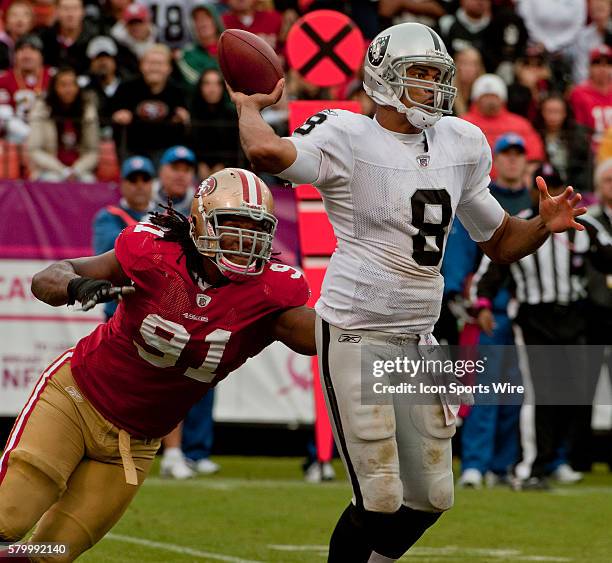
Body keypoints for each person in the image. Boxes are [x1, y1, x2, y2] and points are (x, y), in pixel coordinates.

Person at [229, 22, 587, 562]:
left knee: (433, 497)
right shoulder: (347, 134)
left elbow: (500, 241)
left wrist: (541, 224)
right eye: (418, 73)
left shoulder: (461, 141)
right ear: (382, 77)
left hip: (420, 337)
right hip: (355, 330)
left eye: (437, 75)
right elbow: (268, 154)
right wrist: (249, 106)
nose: (433, 87)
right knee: (379, 496)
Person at [0, 167, 316, 559]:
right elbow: (47, 278)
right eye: (231, 225)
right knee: (7, 518)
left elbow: (323, 337)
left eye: (255, 228)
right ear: (200, 223)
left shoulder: (270, 291)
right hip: (75, 400)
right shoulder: (153, 252)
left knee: (50, 552)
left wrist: (374, 327)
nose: (244, 240)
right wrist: (76, 285)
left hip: (134, 445)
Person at [92, 155, 155, 319]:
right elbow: (108, 250)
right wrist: (147, 231)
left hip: (156, 314)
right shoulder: (108, 216)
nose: (139, 185)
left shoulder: (166, 216)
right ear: (122, 184)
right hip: (118, 312)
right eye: (133, 180)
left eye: (145, 179)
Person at [111, 43, 189, 163]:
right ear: (141, 66)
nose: (154, 68)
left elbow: (188, 121)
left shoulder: (178, 92)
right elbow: (109, 115)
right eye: (150, 63)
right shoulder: (126, 88)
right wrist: (117, 117)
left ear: (169, 69)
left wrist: (184, 118)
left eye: (160, 64)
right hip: (132, 149)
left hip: (166, 151)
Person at [27, 66, 99, 182]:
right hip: (49, 170)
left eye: (72, 85)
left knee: (89, 181)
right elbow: (34, 150)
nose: (68, 89)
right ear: (54, 88)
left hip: (80, 170)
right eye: (63, 85)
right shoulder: (41, 109)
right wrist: (62, 170)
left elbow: (93, 151)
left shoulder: (87, 110)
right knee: (53, 180)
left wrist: (76, 170)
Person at [190, 68, 241, 179]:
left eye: (217, 84)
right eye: (207, 84)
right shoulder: (191, 114)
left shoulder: (232, 116)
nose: (212, 89)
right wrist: (198, 164)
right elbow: (188, 146)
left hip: (227, 170)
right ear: (200, 87)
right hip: (195, 169)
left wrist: (224, 165)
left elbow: (235, 148)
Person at [37, 0, 95, 74]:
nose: (70, 14)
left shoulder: (92, 40)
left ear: (83, 12)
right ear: (56, 12)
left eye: (75, 8)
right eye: (65, 9)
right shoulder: (45, 39)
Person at [153, 145, 197, 216]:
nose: (181, 174)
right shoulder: (144, 200)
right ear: (161, 171)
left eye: (186, 170)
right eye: (175, 168)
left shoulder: (199, 206)